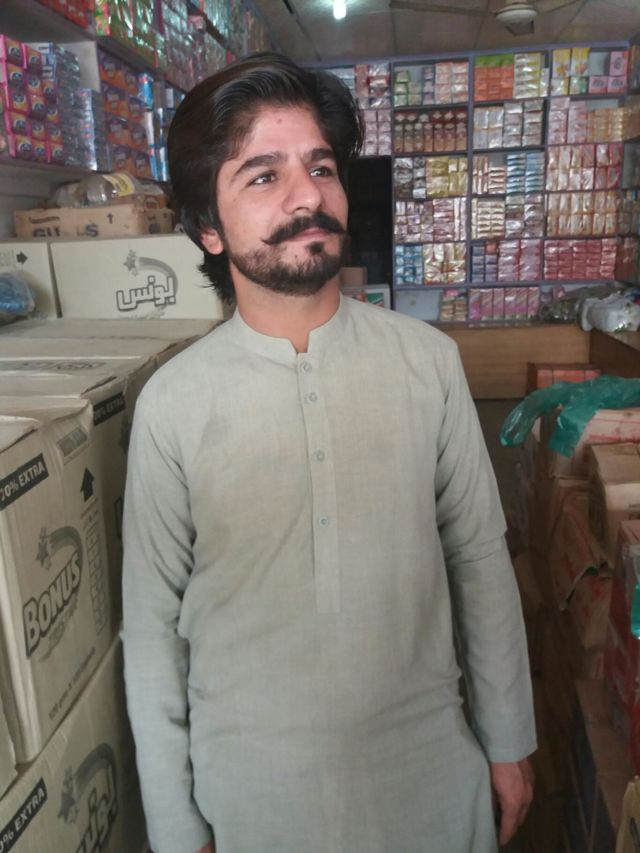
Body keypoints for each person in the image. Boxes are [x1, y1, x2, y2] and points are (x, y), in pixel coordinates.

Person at [122, 52, 536, 853]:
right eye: (263, 175)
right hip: (251, 800)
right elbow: (151, 629)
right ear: (208, 227)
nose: (308, 195)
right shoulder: (173, 404)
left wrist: (510, 739)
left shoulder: (428, 362)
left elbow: (480, 560)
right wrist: (175, 827)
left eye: (320, 167)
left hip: (431, 781)